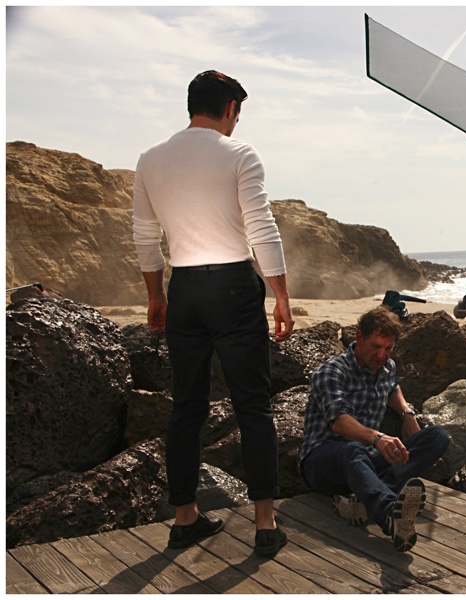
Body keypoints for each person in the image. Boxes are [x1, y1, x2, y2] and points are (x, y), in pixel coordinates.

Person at [132, 70, 295, 556]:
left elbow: (145, 236)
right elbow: (261, 227)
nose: (236, 124)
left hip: (184, 288)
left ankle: (185, 518)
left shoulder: (150, 159)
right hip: (233, 287)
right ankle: (264, 524)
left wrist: (156, 296)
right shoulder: (239, 154)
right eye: (237, 114)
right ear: (228, 109)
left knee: (187, 406)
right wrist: (281, 296)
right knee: (253, 405)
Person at [299, 307, 449, 552]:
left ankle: (364, 499)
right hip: (323, 462)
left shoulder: (386, 367)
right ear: (359, 338)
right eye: (376, 347)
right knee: (353, 450)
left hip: (365, 460)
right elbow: (339, 421)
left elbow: (392, 388)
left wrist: (407, 413)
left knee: (437, 436)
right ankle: (389, 514)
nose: (382, 355)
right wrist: (378, 438)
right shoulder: (331, 371)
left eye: (388, 348)